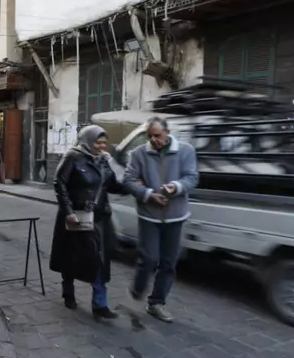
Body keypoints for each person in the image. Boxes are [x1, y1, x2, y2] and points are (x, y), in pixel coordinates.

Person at [124, 116, 198, 323]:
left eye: (157, 135)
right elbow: (128, 180)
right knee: (148, 259)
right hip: (149, 215)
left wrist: (176, 187)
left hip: (176, 216)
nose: (153, 140)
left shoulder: (185, 151)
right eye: (150, 136)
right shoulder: (138, 154)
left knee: (168, 262)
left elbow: (192, 177)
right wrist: (148, 194)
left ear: (167, 132)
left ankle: (156, 303)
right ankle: (137, 289)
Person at [49, 125, 124, 321]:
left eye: (104, 143)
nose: (102, 146)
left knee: (99, 259)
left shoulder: (105, 161)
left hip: (99, 218)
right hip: (78, 215)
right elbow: (60, 183)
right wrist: (68, 211)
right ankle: (68, 291)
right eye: (98, 142)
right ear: (88, 141)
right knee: (72, 255)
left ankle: (100, 305)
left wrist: (118, 168)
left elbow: (114, 185)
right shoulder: (73, 156)